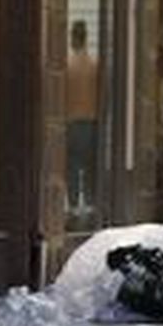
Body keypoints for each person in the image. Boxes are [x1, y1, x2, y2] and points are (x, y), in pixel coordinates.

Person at [66, 20, 100, 216]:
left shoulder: (67, 66)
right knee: (88, 166)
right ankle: (89, 204)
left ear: (72, 38)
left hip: (70, 121)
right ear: (86, 38)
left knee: (71, 166)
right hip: (90, 121)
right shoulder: (94, 66)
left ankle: (71, 205)